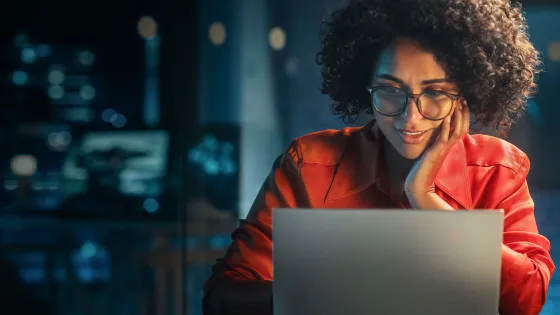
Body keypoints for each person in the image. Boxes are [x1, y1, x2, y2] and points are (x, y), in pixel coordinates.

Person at [202, 0, 555, 314]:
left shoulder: (496, 168)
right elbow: (223, 296)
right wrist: (319, 297)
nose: (409, 117)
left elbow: (527, 301)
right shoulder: (309, 163)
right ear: (365, 84)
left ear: (465, 96)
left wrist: (426, 199)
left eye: (435, 92)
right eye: (389, 91)